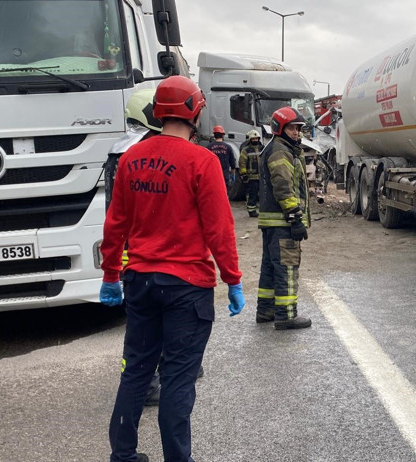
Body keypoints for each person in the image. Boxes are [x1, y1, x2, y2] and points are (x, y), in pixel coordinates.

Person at [100, 75, 245, 462]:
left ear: (158, 112)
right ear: (194, 111)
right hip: (186, 287)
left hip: (140, 282)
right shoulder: (202, 161)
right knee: (178, 378)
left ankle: (124, 455)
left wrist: (111, 275)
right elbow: (219, 229)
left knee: (136, 370)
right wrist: (232, 280)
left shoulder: (131, 160)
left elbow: (115, 224)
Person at [256, 107, 312, 330]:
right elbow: (283, 187)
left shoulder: (276, 147)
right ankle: (286, 315)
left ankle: (266, 310)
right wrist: (295, 218)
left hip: (271, 222)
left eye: (298, 129)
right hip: (283, 222)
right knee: (287, 268)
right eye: (291, 128)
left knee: (270, 268)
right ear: (279, 128)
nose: (296, 133)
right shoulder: (281, 151)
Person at [239, 129, 263, 217]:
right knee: (252, 194)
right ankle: (251, 210)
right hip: (251, 177)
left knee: (263, 194)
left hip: (262, 176)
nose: (255, 140)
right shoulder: (246, 150)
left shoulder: (262, 148)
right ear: (250, 140)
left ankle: (262, 209)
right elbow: (242, 163)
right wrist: (244, 174)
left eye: (256, 139)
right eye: (253, 139)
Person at [207, 125, 237, 189]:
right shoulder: (228, 147)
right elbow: (232, 163)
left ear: (214, 135)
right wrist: (233, 175)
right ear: (223, 135)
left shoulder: (209, 147)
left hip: (213, 176)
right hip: (224, 176)